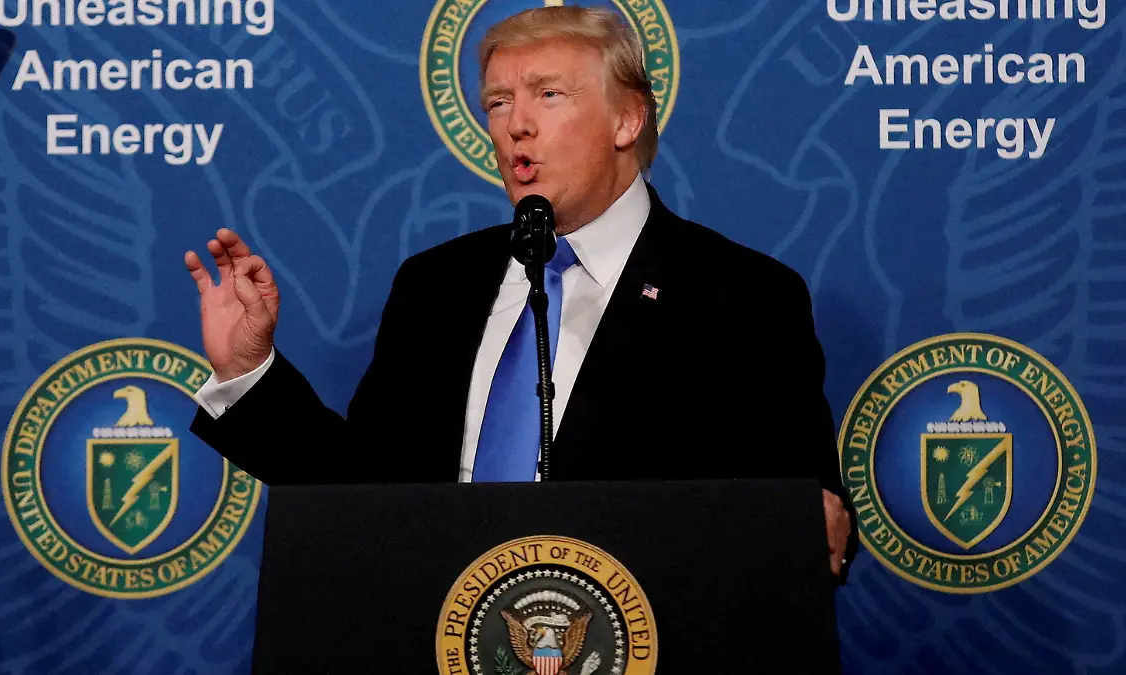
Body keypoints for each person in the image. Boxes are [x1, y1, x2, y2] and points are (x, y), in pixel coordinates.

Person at [184, 6, 857, 581]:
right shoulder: (435, 285)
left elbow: (807, 525)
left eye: (548, 95)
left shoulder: (743, 297)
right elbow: (363, 494)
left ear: (627, 120)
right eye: (499, 102)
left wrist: (800, 522)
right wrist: (248, 370)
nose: (515, 126)